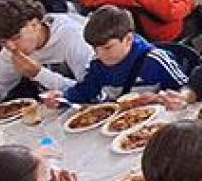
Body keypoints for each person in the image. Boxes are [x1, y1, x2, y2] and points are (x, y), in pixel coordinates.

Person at [0, 0, 91, 114]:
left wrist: (39, 74)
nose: (11, 47)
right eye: (2, 43)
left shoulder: (73, 37)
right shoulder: (12, 47)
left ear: (35, 24)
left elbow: (95, 91)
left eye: (16, 38)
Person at [57, 6, 189, 106]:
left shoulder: (154, 60)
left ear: (128, 39)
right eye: (94, 48)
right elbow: (86, 90)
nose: (100, 54)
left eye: (107, 47)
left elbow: (185, 91)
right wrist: (62, 98)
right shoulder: (97, 63)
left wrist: (160, 98)